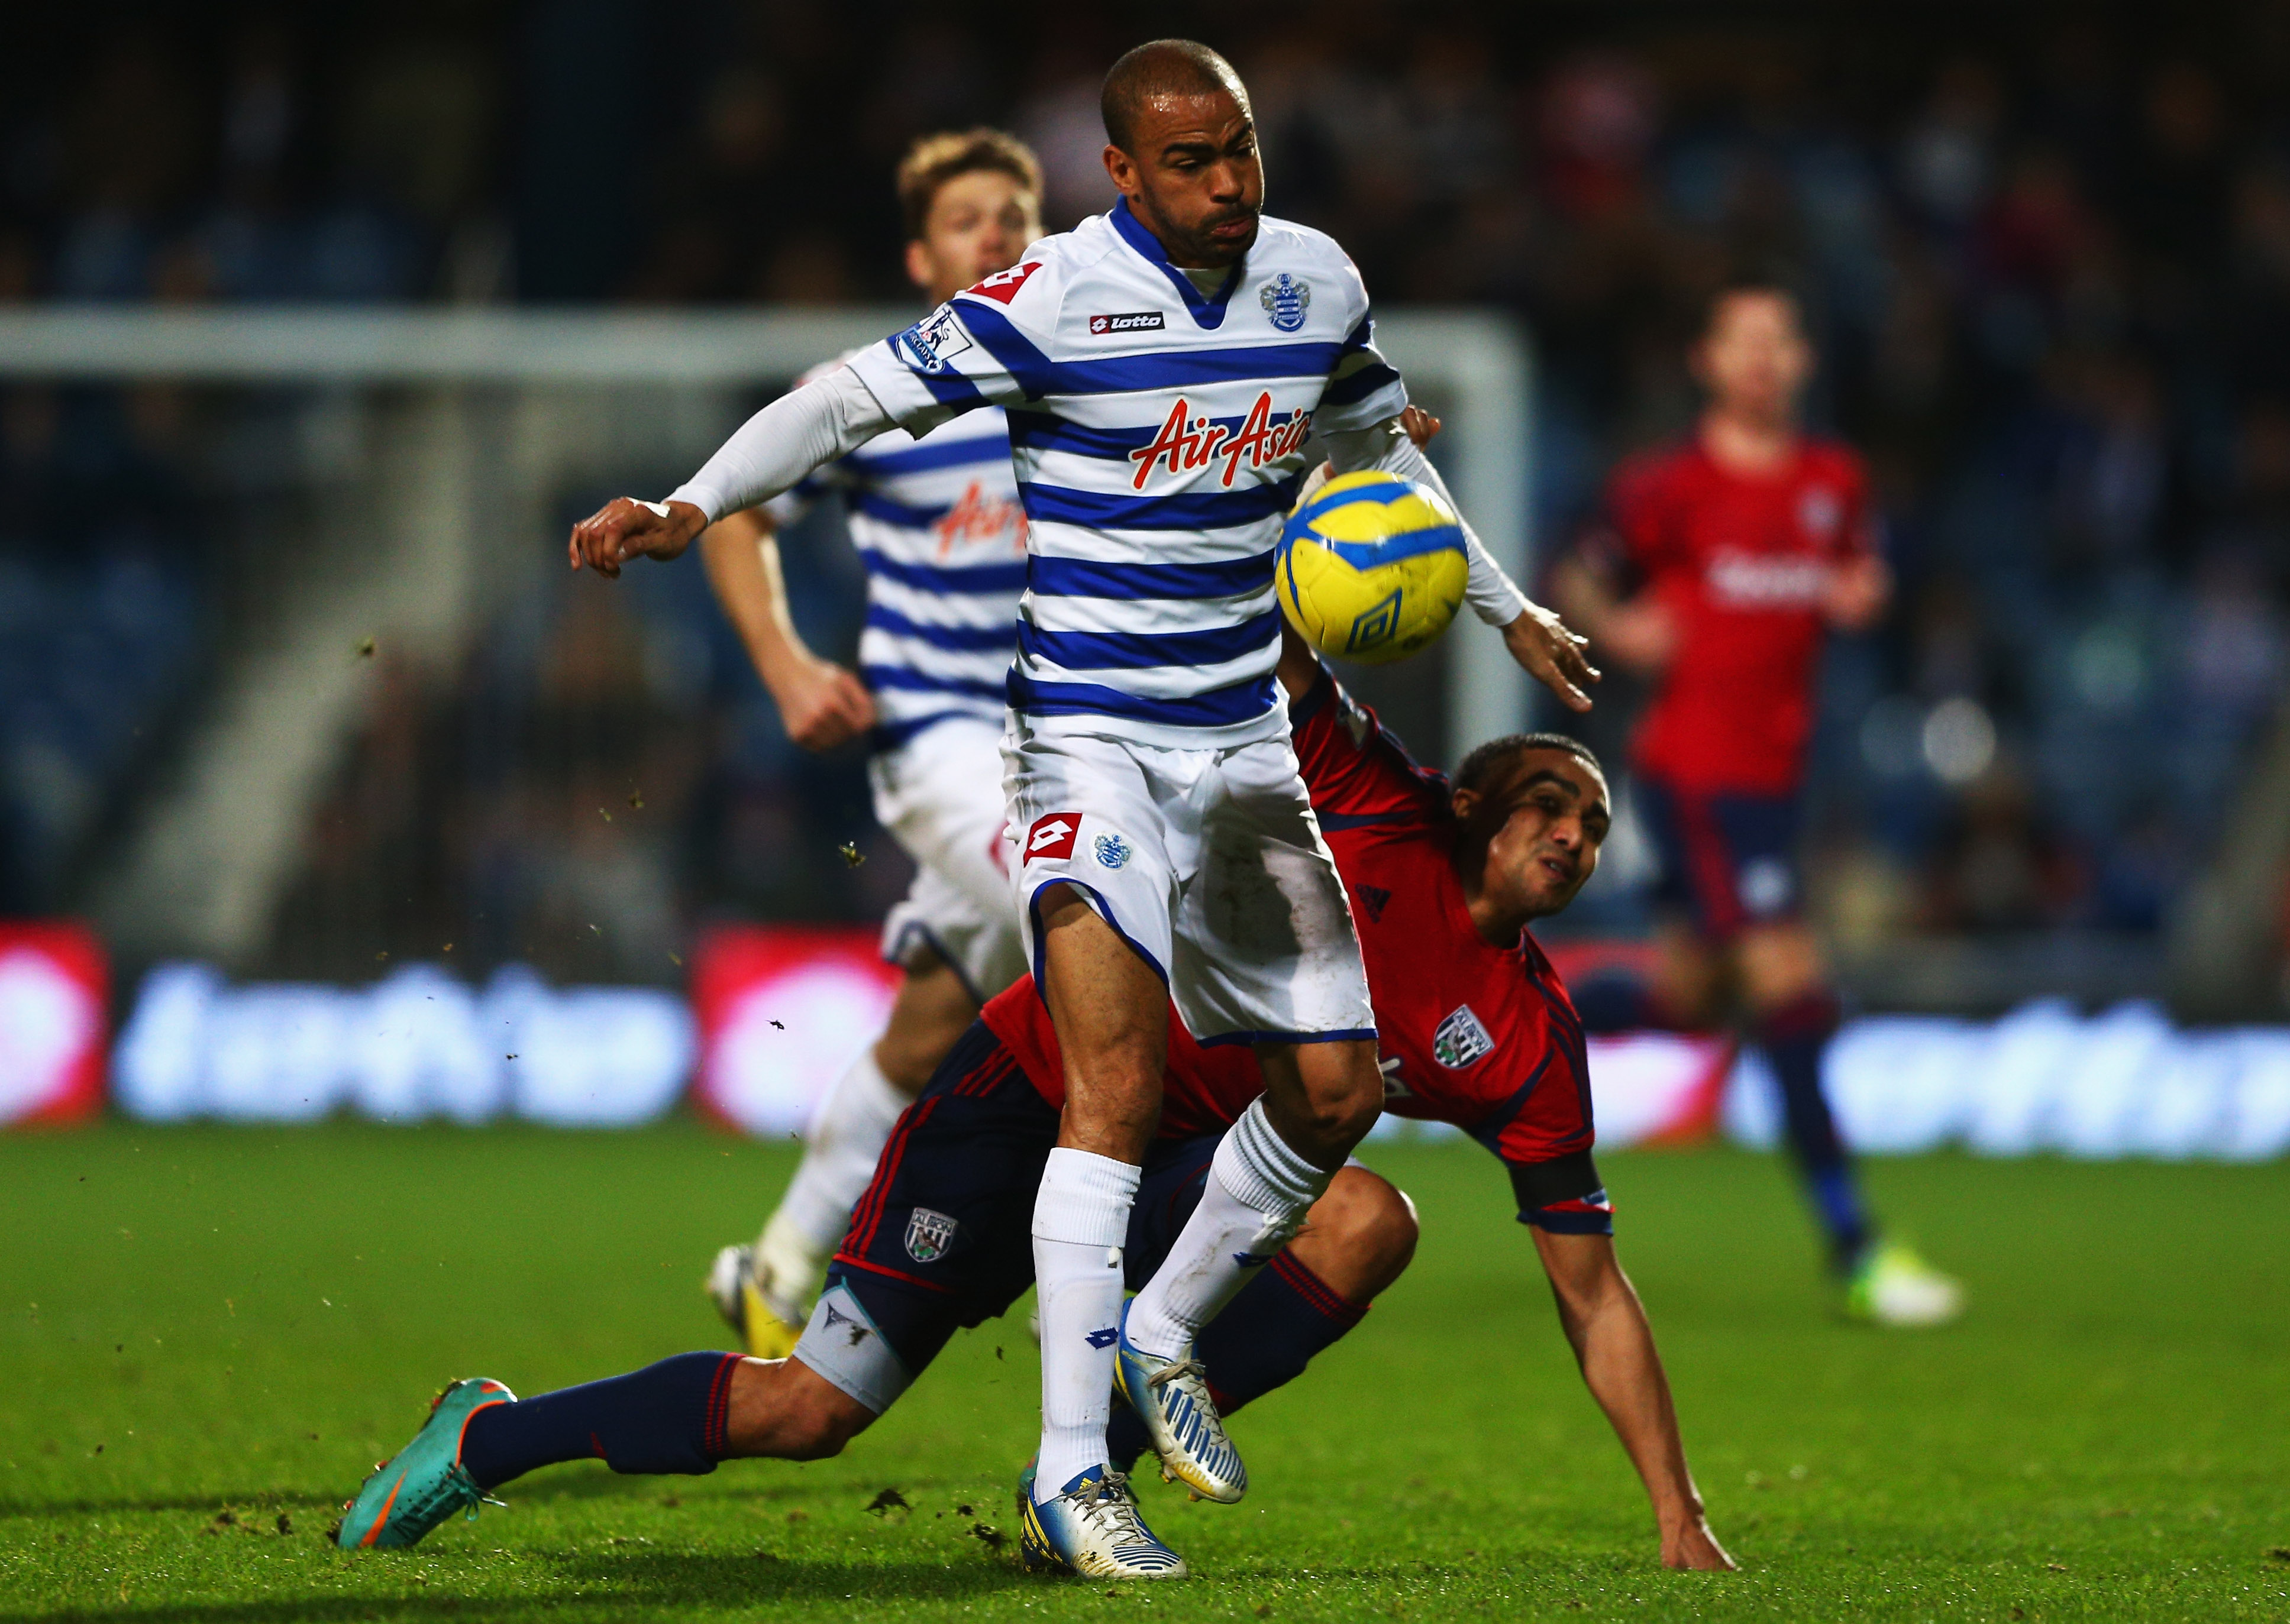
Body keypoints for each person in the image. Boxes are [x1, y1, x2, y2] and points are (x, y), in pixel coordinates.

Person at [566, 38, 1597, 1576]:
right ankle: (1068, 1469)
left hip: (1244, 742)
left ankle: (1163, 1332)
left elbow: (1380, 448)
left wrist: (1503, 612)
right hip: (1088, 743)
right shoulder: (1050, 298)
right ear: (1121, 171)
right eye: (1192, 160)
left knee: (1334, 1085)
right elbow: (839, 403)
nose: (1230, 182)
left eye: (1242, 150)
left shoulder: (1315, 281)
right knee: (1109, 1082)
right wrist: (693, 502)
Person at [334, 627, 1733, 1578]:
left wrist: (1676, 1510)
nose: (1573, 829)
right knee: (813, 1411)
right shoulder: (1365, 797)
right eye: (1550, 799)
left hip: (1177, 1158)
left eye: (1597, 822)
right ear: (1474, 804)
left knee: (1366, 1217)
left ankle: (1089, 1477)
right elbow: (1264, 633)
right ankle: (483, 1434)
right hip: (1029, 1093)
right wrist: (1347, 457)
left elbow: (1595, 1290)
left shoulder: (1529, 1034)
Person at [1551, 282, 1962, 1327]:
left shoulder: (1834, 481)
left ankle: (1501, 1001)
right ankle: (1859, 1247)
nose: (1764, 358)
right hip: (1694, 769)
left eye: (1781, 339)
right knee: (1790, 981)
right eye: (1745, 340)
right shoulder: (1669, 486)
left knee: (1691, 998)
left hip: (1778, 777)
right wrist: (1622, 627)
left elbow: (1856, 572)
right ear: (1708, 361)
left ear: (1803, 360)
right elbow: (1583, 576)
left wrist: (1859, 590)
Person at [695, 130, 1043, 1361]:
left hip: (1071, 739)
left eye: (1013, 214)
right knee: (1073, 910)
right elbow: (736, 515)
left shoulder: (1084, 381)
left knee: (931, 1021)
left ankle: (775, 1262)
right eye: (967, 220)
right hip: (936, 736)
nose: (995, 234)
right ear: (920, 254)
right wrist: (788, 666)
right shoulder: (875, 387)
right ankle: (1087, 1244)